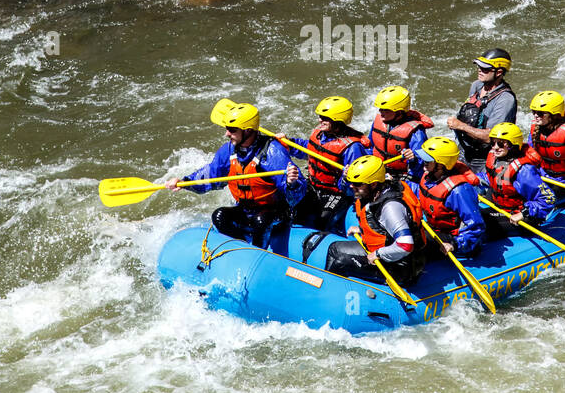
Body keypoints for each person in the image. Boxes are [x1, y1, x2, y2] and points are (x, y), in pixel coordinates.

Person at [166, 101, 306, 248]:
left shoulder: (272, 152)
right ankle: (242, 247)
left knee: (261, 220)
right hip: (246, 210)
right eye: (227, 128)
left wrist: (292, 184)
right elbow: (211, 176)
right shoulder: (228, 151)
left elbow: (296, 197)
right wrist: (184, 182)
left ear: (248, 131)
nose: (227, 133)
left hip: (276, 213)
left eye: (232, 129)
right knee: (219, 216)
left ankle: (258, 254)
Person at [324, 155, 426, 286]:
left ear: (373, 184)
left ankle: (331, 293)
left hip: (400, 267)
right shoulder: (378, 192)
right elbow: (382, 227)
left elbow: (405, 245)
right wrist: (362, 230)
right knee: (335, 248)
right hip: (391, 255)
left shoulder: (390, 208)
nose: (352, 187)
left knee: (339, 258)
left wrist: (378, 254)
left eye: (357, 184)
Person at [287, 95, 371, 232]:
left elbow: (354, 187)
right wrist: (288, 144)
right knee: (293, 209)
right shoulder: (320, 134)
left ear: (338, 121)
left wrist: (345, 178)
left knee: (322, 220)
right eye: (320, 116)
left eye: (325, 118)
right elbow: (308, 149)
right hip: (314, 185)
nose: (320, 120)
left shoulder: (352, 148)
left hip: (337, 193)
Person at [412, 135, 485, 260]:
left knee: (414, 245)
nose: (423, 163)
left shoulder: (459, 190)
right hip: (435, 229)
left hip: (452, 238)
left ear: (441, 165)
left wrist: (455, 244)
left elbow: (476, 227)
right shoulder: (429, 176)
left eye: (427, 160)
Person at [479, 122, 556, 235]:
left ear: (513, 145)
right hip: (500, 205)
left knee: (481, 224)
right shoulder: (495, 158)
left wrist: (523, 213)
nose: (495, 147)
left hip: (519, 214)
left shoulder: (524, 171)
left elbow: (549, 198)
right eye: (493, 142)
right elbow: (493, 176)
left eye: (500, 143)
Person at [446, 48, 517, 166]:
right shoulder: (476, 85)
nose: (479, 70)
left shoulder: (506, 100)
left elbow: (491, 137)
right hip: (464, 151)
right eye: (479, 67)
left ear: (499, 72)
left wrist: (460, 126)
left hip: (484, 158)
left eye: (485, 69)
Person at [368, 85, 434, 177]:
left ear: (399, 112)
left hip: (402, 176)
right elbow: (369, 147)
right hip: (378, 171)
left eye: (386, 110)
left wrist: (412, 158)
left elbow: (422, 164)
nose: (381, 111)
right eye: (380, 109)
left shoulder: (416, 131)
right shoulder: (379, 121)